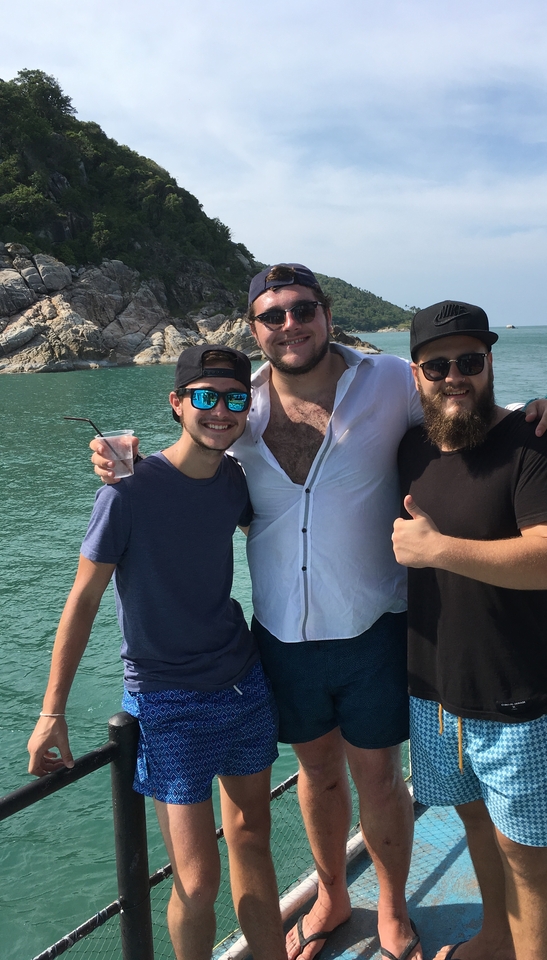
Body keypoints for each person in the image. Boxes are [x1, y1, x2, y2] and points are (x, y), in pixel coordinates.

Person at [91, 264, 547, 960]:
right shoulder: (236, 407)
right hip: (282, 636)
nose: (290, 324)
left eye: (302, 309)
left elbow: (462, 397)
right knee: (316, 777)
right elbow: (187, 464)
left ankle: (392, 906)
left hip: (375, 625)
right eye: (273, 315)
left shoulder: (386, 380)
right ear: (255, 329)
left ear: (325, 314)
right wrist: (119, 463)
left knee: (379, 778)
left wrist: (545, 408)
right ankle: (331, 892)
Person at [28, 346, 285, 960]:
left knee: (252, 837)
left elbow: (275, 529)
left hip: (243, 683)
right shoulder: (125, 493)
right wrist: (51, 712)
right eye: (204, 397)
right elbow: (83, 600)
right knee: (196, 883)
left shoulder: (233, 481)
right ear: (177, 404)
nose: (220, 411)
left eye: (234, 399)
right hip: (168, 699)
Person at [392, 300, 547, 960]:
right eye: (438, 364)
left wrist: (438, 549)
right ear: (416, 373)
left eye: (470, 362)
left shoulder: (540, 444)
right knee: (474, 820)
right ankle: (496, 936)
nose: (455, 376)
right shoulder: (409, 448)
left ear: (490, 365)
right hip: (439, 693)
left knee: (525, 855)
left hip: (527, 696)